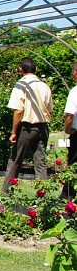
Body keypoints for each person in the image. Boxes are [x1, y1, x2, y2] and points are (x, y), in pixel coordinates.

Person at [2, 58, 52, 194]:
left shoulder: (21, 85)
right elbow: (49, 108)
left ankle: (6, 192)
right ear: (35, 69)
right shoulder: (44, 86)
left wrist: (13, 132)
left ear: (20, 69)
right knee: (40, 163)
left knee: (15, 160)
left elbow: (18, 110)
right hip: (42, 127)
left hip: (26, 127)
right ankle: (43, 194)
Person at [61, 61, 77, 199]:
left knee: (73, 164)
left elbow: (69, 115)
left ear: (75, 73)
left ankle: (68, 195)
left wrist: (68, 130)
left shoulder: (75, 91)